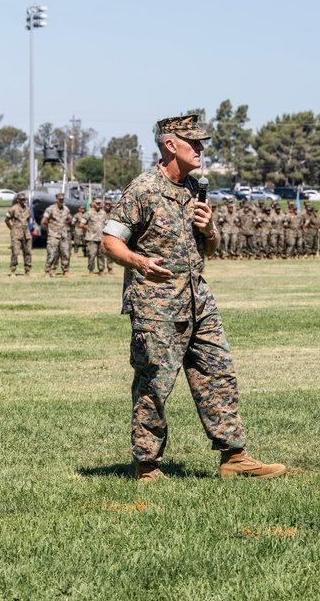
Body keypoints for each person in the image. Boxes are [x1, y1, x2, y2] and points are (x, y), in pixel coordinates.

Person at [101, 114, 285, 482]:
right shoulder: (142, 189)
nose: (201, 149)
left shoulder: (195, 189)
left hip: (199, 300)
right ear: (171, 145)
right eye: (194, 143)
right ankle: (148, 465)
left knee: (219, 374)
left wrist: (210, 229)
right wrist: (139, 261)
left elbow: (209, 250)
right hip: (157, 305)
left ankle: (234, 457)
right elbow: (108, 241)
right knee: (155, 384)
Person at [42, 193, 72, 277]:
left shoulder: (66, 209)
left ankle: (65, 271)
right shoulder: (50, 209)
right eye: (59, 200)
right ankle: (47, 271)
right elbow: (44, 221)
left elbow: (69, 219)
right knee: (52, 254)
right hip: (53, 235)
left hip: (64, 235)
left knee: (65, 253)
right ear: (56, 199)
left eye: (62, 200)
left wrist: (64, 225)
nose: (61, 201)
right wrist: (52, 227)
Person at [5, 192, 33, 277]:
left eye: (24, 199)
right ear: (18, 200)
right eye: (21, 200)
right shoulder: (13, 209)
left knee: (28, 252)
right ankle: (13, 270)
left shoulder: (27, 209)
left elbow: (27, 220)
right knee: (15, 252)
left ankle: (27, 270)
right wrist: (12, 229)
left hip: (26, 234)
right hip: (16, 234)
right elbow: (6, 220)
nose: (23, 201)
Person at [82, 197, 108, 275]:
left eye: (99, 203)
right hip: (91, 238)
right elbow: (82, 224)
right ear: (93, 203)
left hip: (101, 238)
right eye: (97, 203)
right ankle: (91, 270)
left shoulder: (103, 213)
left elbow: (106, 224)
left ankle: (101, 270)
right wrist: (89, 229)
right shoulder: (88, 213)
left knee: (101, 255)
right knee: (91, 255)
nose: (98, 205)